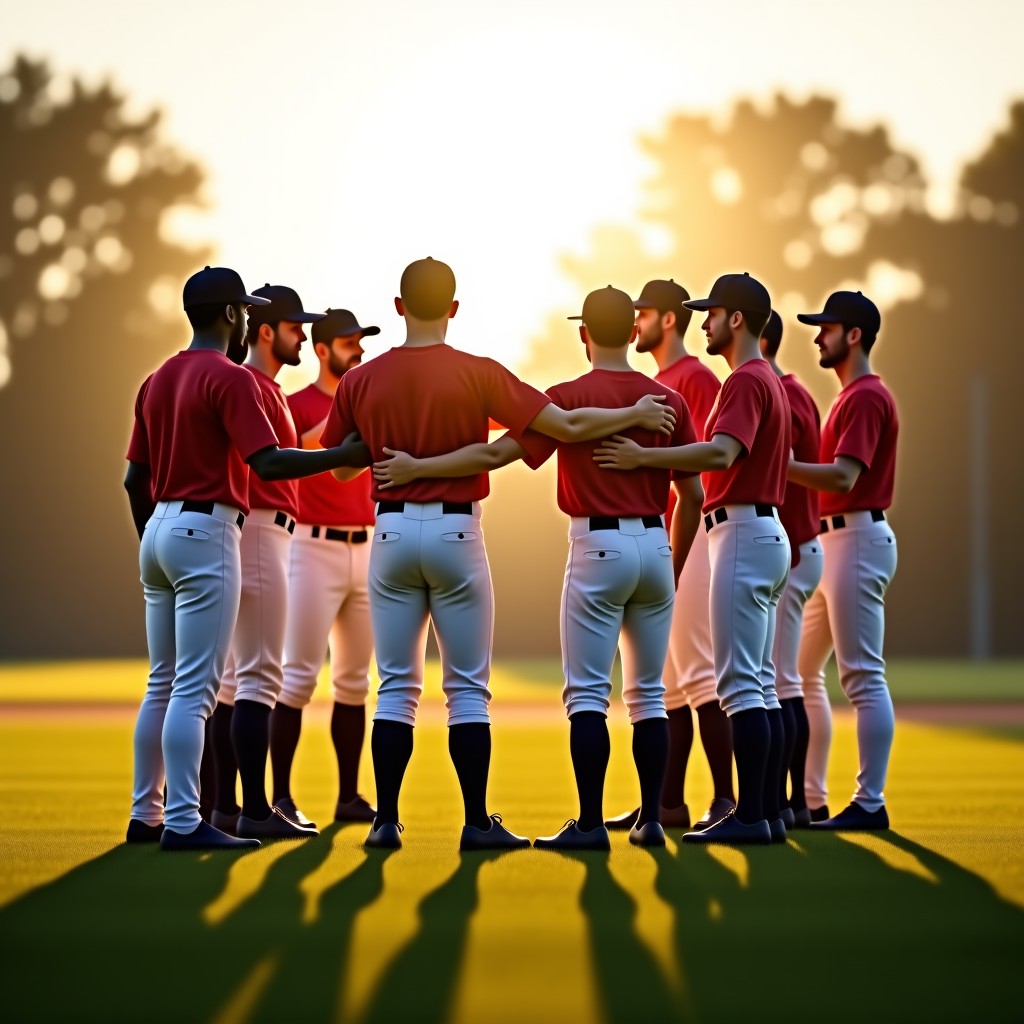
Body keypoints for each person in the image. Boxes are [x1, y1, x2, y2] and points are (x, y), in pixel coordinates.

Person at [320, 258, 678, 851]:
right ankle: (477, 822)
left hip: (387, 533)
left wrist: (385, 448)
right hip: (458, 534)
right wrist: (635, 417)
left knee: (396, 686)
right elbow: (560, 427)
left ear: (398, 306)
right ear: (455, 309)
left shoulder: (361, 380)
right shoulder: (480, 372)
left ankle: (384, 820)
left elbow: (338, 469)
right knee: (467, 688)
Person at [123, 266, 369, 851]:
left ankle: (146, 814)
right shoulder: (230, 379)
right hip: (210, 528)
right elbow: (269, 463)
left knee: (163, 681)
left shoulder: (156, 378)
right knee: (201, 687)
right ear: (234, 315)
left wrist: (153, 535)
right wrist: (343, 453)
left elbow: (135, 478)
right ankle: (186, 821)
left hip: (160, 526)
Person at [595, 272, 791, 846]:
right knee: (759, 683)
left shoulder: (743, 381)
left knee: (739, 686)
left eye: (712, 313)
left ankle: (750, 814)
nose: (704, 321)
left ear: (736, 319)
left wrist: (642, 460)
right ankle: (767, 812)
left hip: (742, 531)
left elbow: (721, 451)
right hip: (763, 531)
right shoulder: (764, 378)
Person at [605, 278, 736, 834]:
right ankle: (665, 802)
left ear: (670, 319)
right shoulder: (661, 380)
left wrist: (679, 560)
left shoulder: (696, 379)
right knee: (668, 681)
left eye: (644, 313)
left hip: (694, 536)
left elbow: (703, 469)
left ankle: (727, 800)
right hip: (665, 536)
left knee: (700, 672)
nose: (635, 322)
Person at [209, 284, 327, 841]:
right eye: (293, 326)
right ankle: (254, 809)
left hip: (255, 534)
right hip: (260, 532)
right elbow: (270, 465)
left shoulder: (264, 388)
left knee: (234, 680)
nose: (302, 334)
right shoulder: (252, 386)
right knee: (257, 675)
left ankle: (224, 806)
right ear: (265, 331)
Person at [788, 291, 898, 831]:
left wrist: (779, 467)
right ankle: (811, 799)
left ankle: (870, 804)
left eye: (826, 327)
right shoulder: (850, 396)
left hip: (856, 538)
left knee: (861, 677)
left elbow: (843, 477)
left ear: (853, 334)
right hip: (836, 543)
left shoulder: (864, 398)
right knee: (802, 671)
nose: (817, 335)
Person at [271, 308, 381, 829]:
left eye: (360, 342)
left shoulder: (374, 400)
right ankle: (280, 798)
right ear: (321, 350)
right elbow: (284, 453)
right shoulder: (293, 406)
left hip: (370, 544)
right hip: (310, 547)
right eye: (346, 343)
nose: (356, 350)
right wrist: (338, 425)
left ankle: (349, 797)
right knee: (295, 679)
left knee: (355, 682)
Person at [759, 310, 823, 829]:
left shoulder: (786, 391)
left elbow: (800, 471)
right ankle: (791, 803)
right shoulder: (783, 388)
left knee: (783, 682)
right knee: (784, 680)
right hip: (796, 544)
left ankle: (788, 803)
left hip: (795, 544)